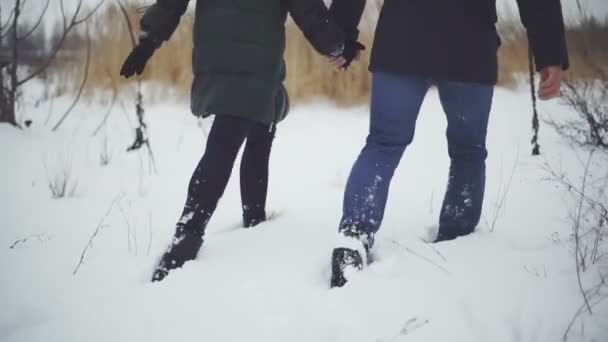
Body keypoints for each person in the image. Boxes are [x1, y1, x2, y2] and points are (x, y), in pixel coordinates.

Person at [120, 0, 366, 282]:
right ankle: (186, 236)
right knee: (227, 137)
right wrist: (337, 45)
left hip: (217, 48)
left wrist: (149, 40)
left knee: (262, 119)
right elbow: (307, 9)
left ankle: (254, 218)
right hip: (256, 48)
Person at [330, 0, 569, 288]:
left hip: (403, 36)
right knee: (468, 152)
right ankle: (457, 242)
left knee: (383, 143)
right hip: (468, 40)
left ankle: (353, 237)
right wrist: (550, 53)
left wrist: (339, 35)